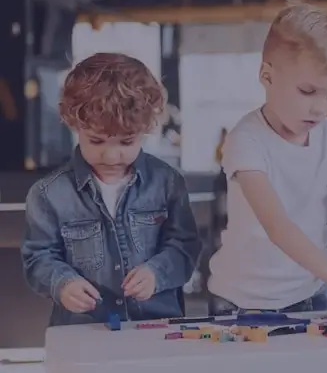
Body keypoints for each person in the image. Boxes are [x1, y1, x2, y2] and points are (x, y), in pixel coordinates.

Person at [207, 0, 327, 318]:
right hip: (242, 300)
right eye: (307, 91)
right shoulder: (246, 140)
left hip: (312, 293)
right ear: (267, 76)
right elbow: (278, 226)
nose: (320, 108)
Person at [21, 53, 202, 326]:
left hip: (156, 329)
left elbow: (186, 246)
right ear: (73, 122)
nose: (111, 156)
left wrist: (157, 273)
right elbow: (38, 258)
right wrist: (62, 283)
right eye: (96, 141)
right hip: (83, 333)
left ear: (146, 128)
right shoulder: (48, 194)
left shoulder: (168, 182)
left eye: (126, 142)